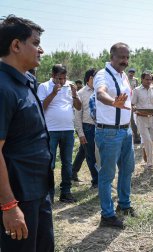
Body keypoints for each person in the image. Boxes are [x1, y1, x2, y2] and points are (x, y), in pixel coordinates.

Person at [0, 14, 54, 251]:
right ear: (15, 45)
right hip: (18, 195)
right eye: (35, 43)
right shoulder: (3, 88)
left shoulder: (27, 81)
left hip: (39, 189)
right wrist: (9, 206)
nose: (40, 50)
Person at [94, 42, 136, 229]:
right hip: (109, 132)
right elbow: (100, 93)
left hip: (125, 130)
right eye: (121, 57)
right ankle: (107, 215)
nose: (124, 61)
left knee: (127, 169)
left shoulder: (123, 75)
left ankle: (124, 205)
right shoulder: (102, 75)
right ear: (111, 56)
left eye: (127, 57)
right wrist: (113, 103)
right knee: (107, 175)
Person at [37, 64, 81, 203]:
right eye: (59, 78)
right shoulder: (44, 87)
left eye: (64, 78)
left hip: (68, 130)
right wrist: (53, 93)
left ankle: (66, 192)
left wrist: (74, 94)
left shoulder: (70, 86)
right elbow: (40, 107)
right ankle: (48, 194)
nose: (62, 81)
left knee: (67, 163)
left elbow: (79, 107)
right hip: (50, 130)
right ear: (52, 76)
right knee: (49, 163)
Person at [132, 72, 153, 169]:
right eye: (146, 79)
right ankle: (150, 164)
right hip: (141, 118)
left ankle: (145, 147)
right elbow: (132, 104)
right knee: (148, 140)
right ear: (142, 79)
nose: (149, 81)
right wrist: (135, 109)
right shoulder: (136, 90)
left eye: (150, 79)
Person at [73, 68, 98, 188]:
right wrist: (81, 133)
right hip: (88, 128)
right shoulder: (81, 93)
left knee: (85, 151)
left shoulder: (101, 91)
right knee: (91, 155)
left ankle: (72, 172)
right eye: (95, 77)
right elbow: (77, 115)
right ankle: (96, 181)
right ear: (89, 78)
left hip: (101, 127)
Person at [127, 68, 141, 144]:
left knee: (134, 120)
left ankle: (136, 137)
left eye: (132, 73)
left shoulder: (135, 80)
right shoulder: (125, 79)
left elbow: (137, 90)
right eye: (130, 72)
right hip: (126, 101)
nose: (131, 74)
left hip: (133, 102)